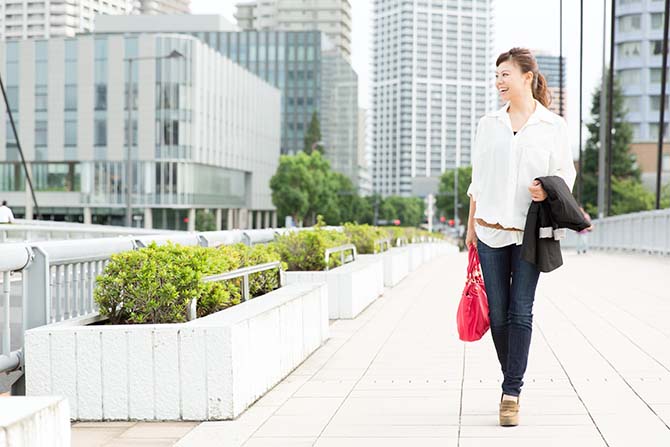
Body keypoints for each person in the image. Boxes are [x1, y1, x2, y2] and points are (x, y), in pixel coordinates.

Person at [464, 48, 577, 427]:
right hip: (490, 231)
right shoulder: (488, 124)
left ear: (527, 76)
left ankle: (511, 391)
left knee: (520, 311)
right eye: (496, 75)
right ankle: (511, 374)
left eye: (505, 74)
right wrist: (470, 228)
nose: (499, 81)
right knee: (498, 316)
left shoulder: (553, 126)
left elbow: (566, 174)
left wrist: (546, 190)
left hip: (530, 232)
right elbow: (476, 181)